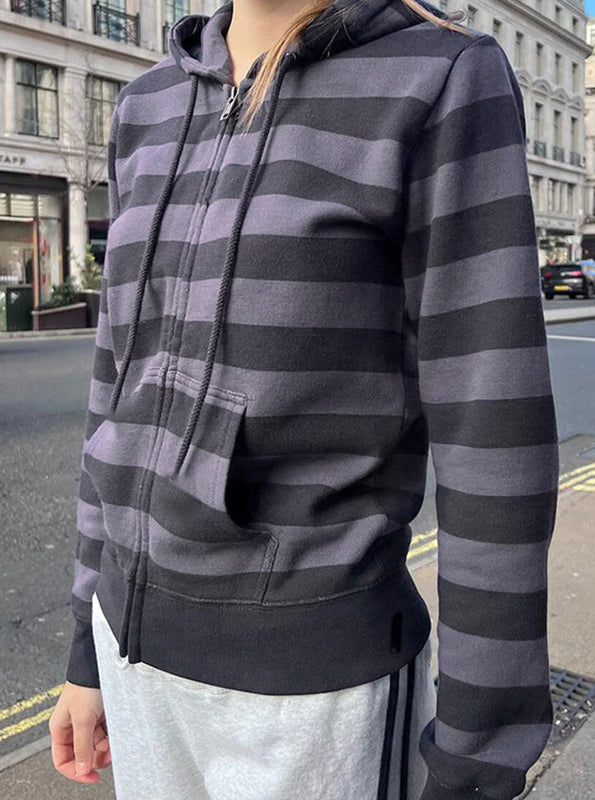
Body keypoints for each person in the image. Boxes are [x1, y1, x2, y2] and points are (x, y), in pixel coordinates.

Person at [49, 0, 560, 798]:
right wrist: (87, 644)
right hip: (134, 664)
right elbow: (115, 390)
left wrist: (478, 755)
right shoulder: (146, 103)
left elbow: (493, 427)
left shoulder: (438, 75)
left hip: (312, 697)